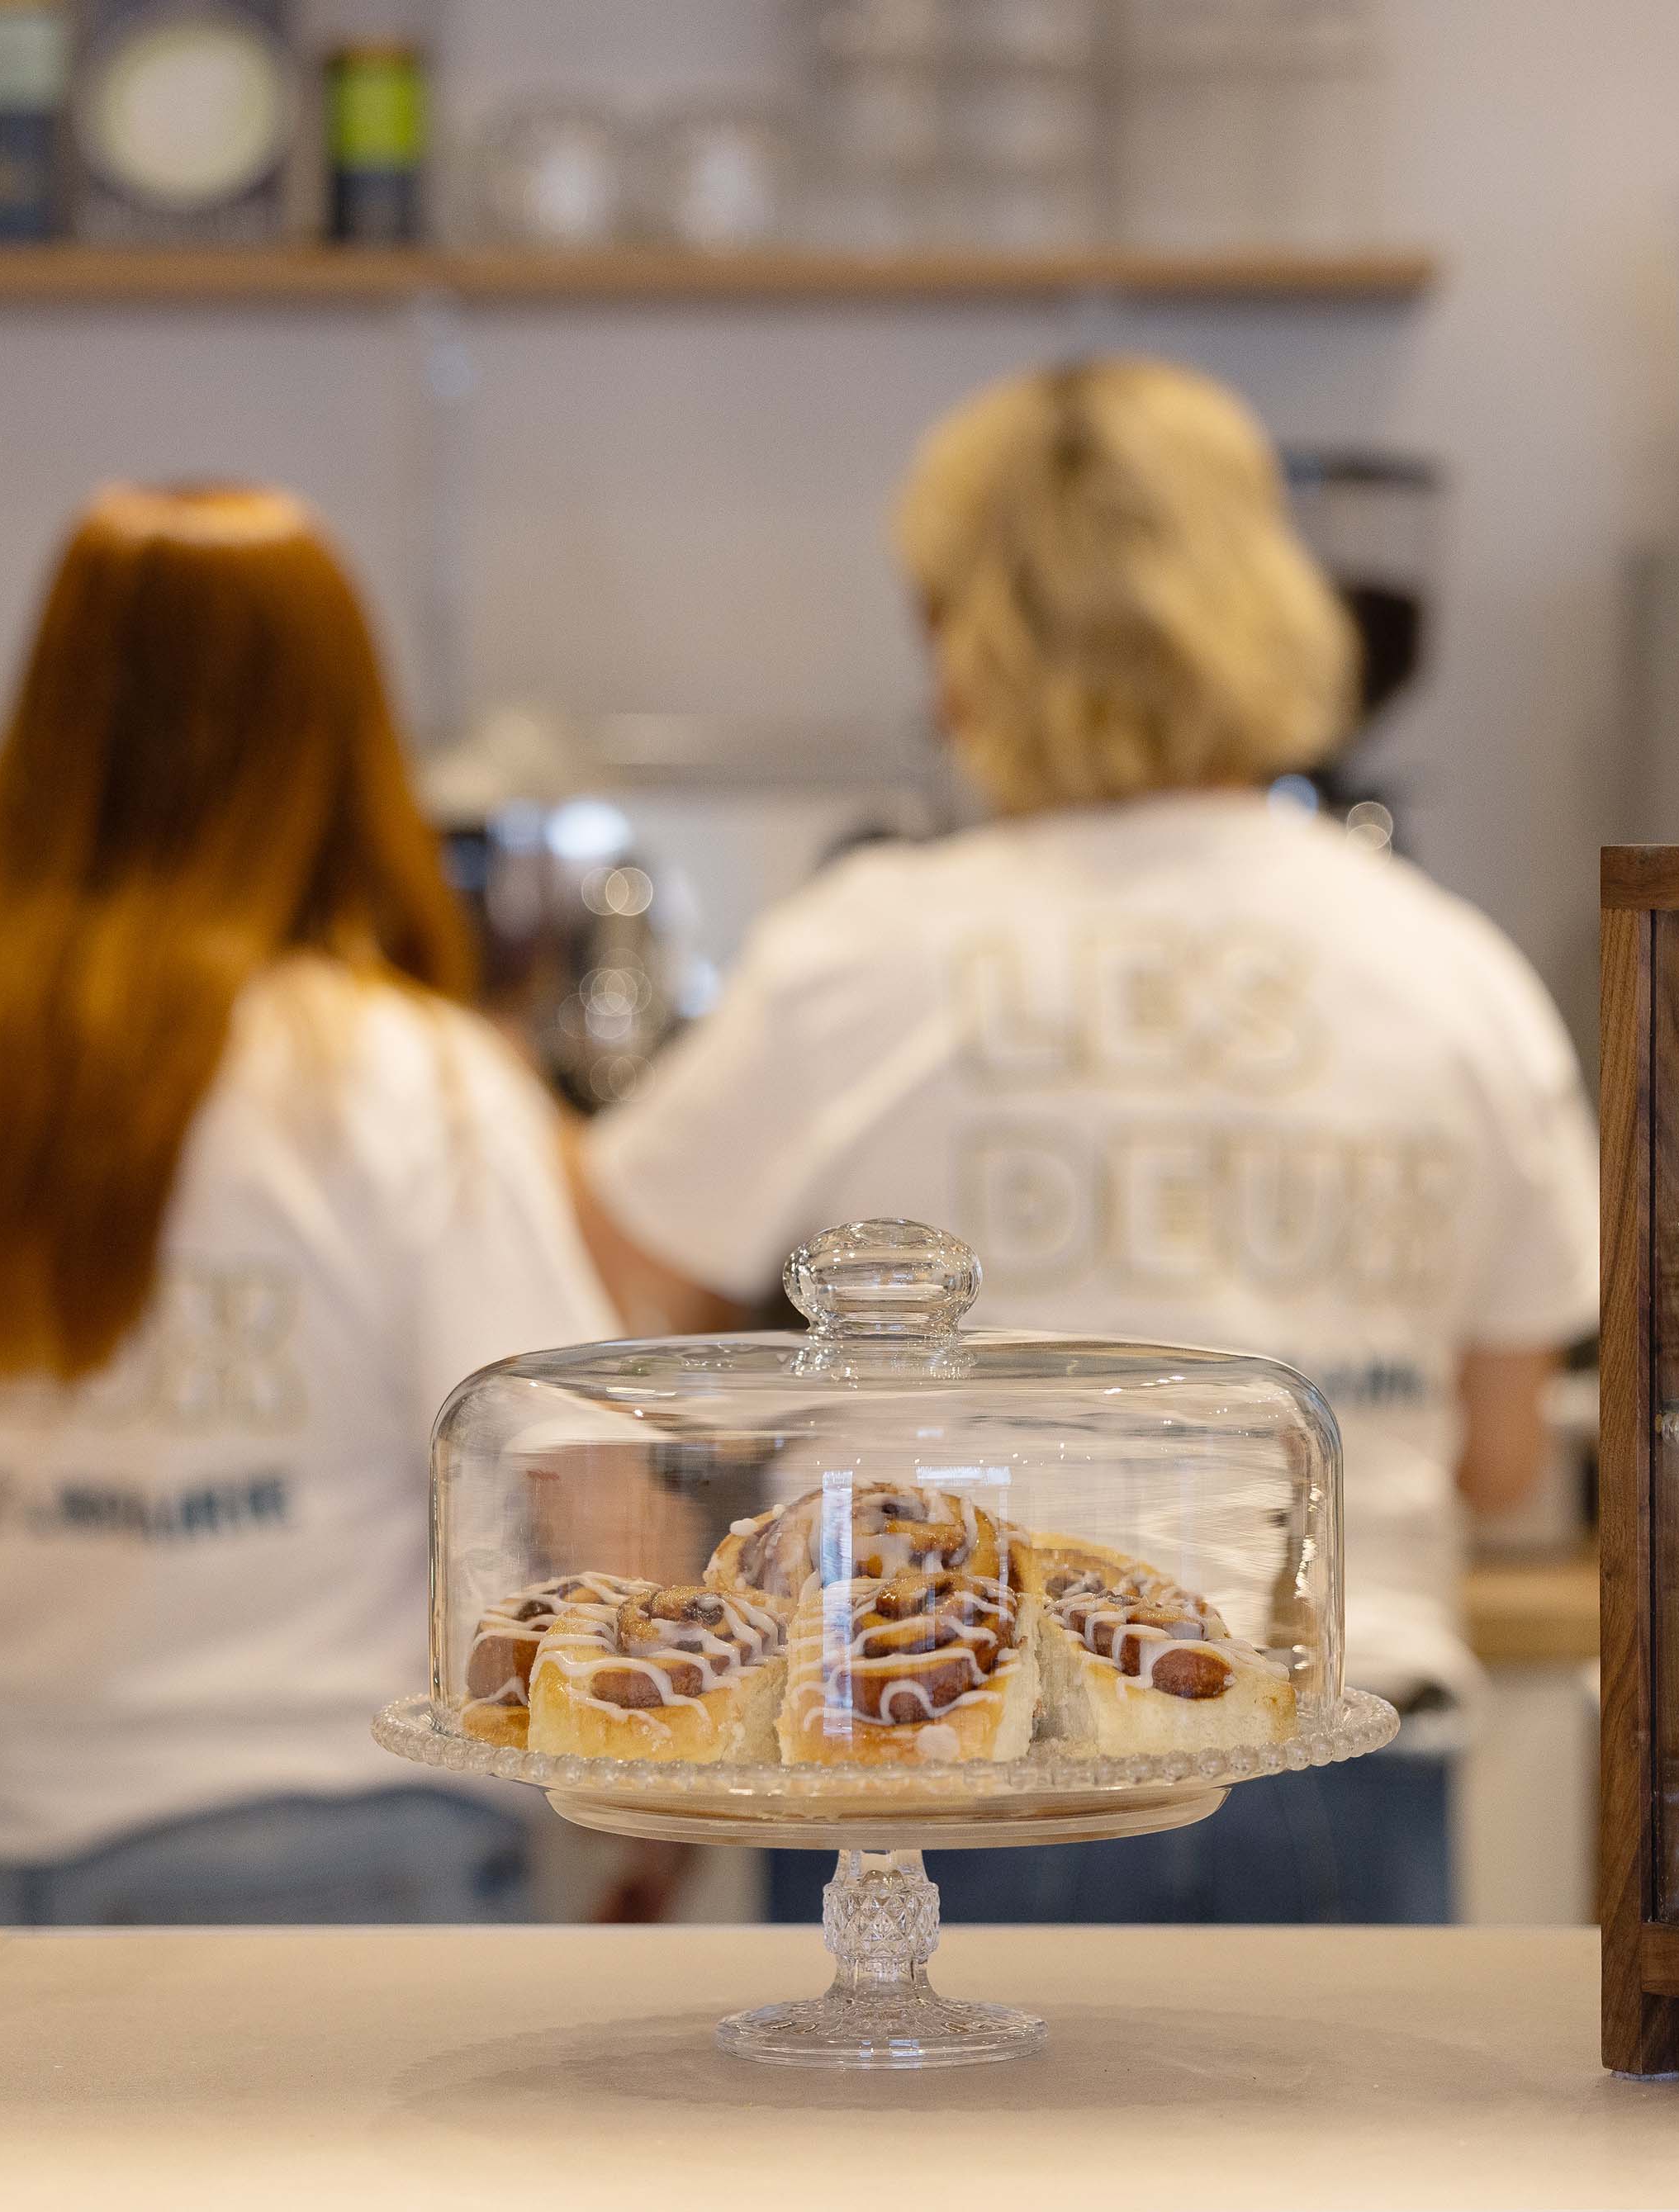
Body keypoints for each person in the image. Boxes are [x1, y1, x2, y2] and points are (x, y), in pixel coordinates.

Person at [575, 358, 1601, 1925]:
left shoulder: (866, 950)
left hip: (917, 1734)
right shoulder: (1449, 966)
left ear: (962, 639)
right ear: (1270, 602)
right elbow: (1507, 1455)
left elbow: (616, 1298)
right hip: (1324, 1738)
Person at [0, 485, 618, 1925]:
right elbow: (597, 1515)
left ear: (44, 738)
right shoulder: (418, 1084)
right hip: (359, 1862)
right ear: (346, 756)